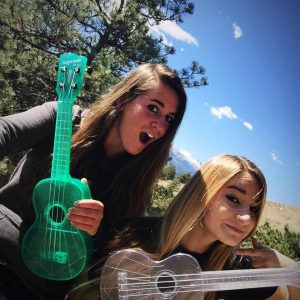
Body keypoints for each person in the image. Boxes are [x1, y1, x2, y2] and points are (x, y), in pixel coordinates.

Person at [0, 63, 187, 299]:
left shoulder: (136, 187)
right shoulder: (64, 118)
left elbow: (107, 258)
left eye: (169, 118)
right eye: (153, 107)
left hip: (39, 287)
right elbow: (6, 131)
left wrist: (94, 232)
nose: (160, 125)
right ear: (123, 100)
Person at [66, 154, 298, 300]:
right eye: (234, 199)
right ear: (201, 194)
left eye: (255, 209)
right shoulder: (132, 234)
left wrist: (273, 277)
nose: (247, 219)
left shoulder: (236, 270)